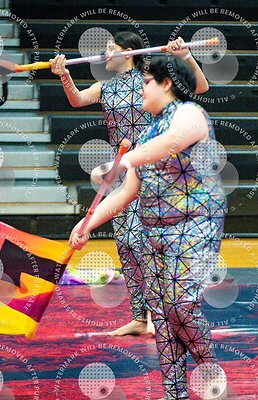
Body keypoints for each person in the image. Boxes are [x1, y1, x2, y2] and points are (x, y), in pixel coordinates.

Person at [70, 56, 227, 400]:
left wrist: (122, 161)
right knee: (162, 315)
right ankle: (174, 393)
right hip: (152, 230)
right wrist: (86, 223)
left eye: (146, 83)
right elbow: (126, 194)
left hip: (194, 225)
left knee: (180, 306)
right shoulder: (145, 133)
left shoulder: (190, 113)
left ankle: (210, 372)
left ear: (166, 83)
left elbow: (174, 142)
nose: (140, 89)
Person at [50, 31, 209, 336]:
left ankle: (160, 315)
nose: (106, 53)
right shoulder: (106, 87)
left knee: (140, 241)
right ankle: (140, 316)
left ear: (129, 52)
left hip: (156, 168)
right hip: (122, 170)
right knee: (125, 244)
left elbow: (200, 87)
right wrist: (64, 75)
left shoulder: (149, 81)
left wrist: (185, 57)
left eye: (112, 47)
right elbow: (77, 100)